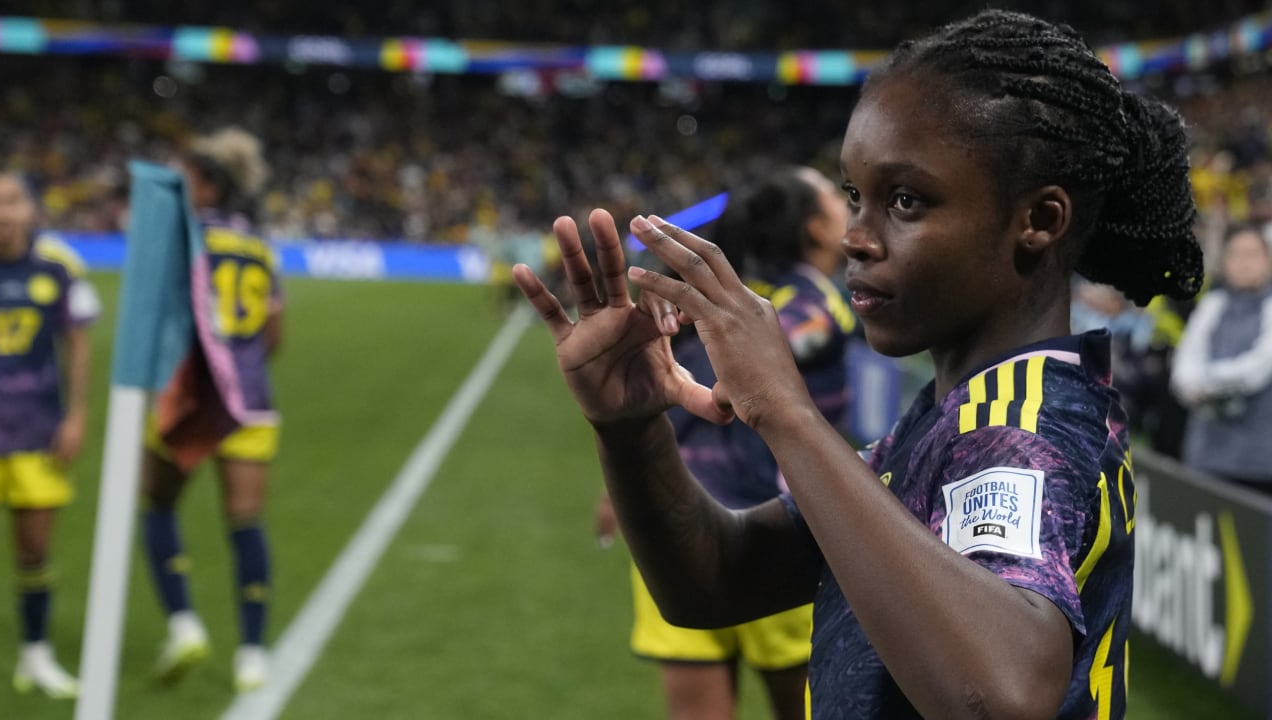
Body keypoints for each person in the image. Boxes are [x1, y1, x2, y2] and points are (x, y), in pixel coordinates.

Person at [514, 9, 1204, 719]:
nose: (857, 238)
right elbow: (714, 580)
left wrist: (786, 413)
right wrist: (632, 433)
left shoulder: (1022, 421)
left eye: (905, 200)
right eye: (854, 196)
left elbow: (999, 697)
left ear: (1039, 220)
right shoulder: (955, 414)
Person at [596, 166, 854, 720]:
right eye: (837, 195)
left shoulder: (736, 301)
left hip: (677, 523)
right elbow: (743, 372)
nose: (849, 201)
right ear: (814, 228)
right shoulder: (815, 306)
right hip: (777, 532)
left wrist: (628, 465)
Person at [139, 127, 283, 692]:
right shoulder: (257, 245)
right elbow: (273, 332)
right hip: (250, 399)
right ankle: (252, 653)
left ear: (205, 186)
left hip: (191, 394)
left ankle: (183, 623)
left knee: (157, 505)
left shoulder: (178, 239)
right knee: (244, 522)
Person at [0, 171, 101, 699]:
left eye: (12, 202)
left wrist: (76, 415)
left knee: (34, 551)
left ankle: (36, 656)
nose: (3, 213)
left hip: (37, 428)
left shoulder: (58, 265)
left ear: (31, 209)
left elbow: (77, 343)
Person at [1171, 223, 1272, 489]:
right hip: (1207, 452)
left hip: (1260, 460)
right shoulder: (1213, 304)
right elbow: (1185, 361)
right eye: (1236, 255)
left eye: (1252, 254)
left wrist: (1205, 383)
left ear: (1268, 260)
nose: (1243, 263)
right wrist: (1191, 384)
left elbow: (1257, 370)